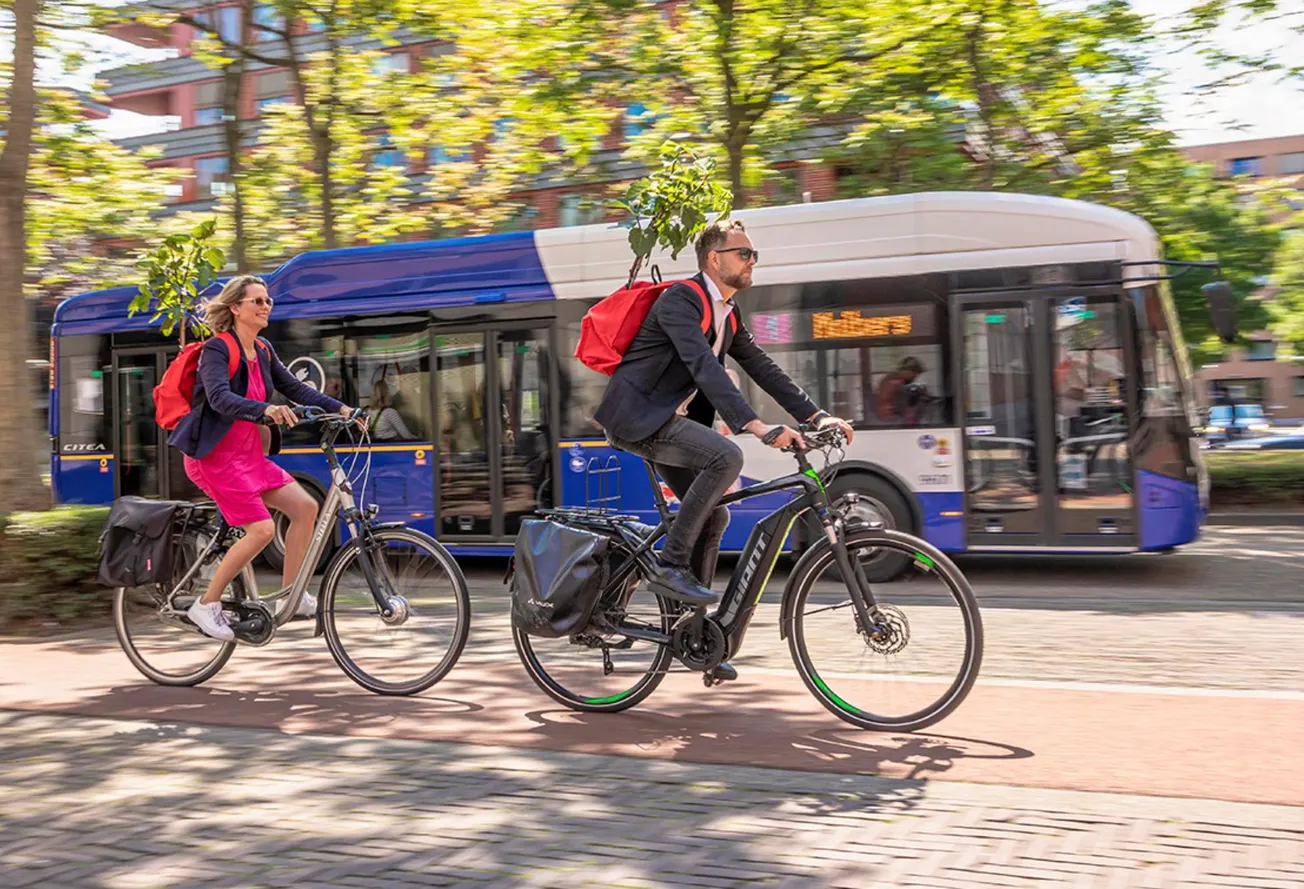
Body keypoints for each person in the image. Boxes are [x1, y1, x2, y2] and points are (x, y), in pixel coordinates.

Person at [595, 219, 853, 681]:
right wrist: (754, 426)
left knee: (715, 515)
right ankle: (670, 565)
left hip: (670, 422)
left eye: (754, 255)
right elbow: (703, 368)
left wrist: (816, 416)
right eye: (744, 254)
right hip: (639, 419)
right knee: (725, 456)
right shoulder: (682, 301)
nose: (753, 261)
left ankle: (695, 640)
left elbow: (764, 368)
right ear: (715, 259)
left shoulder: (728, 314)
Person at [169, 275, 359, 641]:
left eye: (268, 300)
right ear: (236, 308)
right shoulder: (218, 350)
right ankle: (206, 605)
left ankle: (291, 595)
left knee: (305, 508)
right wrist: (267, 411)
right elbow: (220, 399)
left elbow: (297, 389)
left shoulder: (264, 350)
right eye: (256, 301)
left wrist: (343, 409)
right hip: (214, 459)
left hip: (249, 457)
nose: (265, 306)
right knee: (262, 529)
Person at [875, 357, 930, 425]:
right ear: (908, 371)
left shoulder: (900, 382)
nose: (915, 377)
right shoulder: (894, 382)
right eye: (915, 374)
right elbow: (885, 405)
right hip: (892, 422)